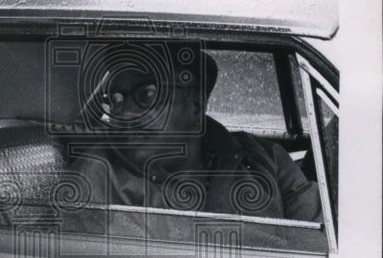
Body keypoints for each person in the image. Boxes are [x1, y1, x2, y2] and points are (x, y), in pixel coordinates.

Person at [67, 42, 322, 223]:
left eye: (148, 94)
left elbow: (322, 245)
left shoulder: (266, 158)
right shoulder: (96, 175)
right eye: (117, 99)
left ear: (195, 106)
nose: (125, 114)